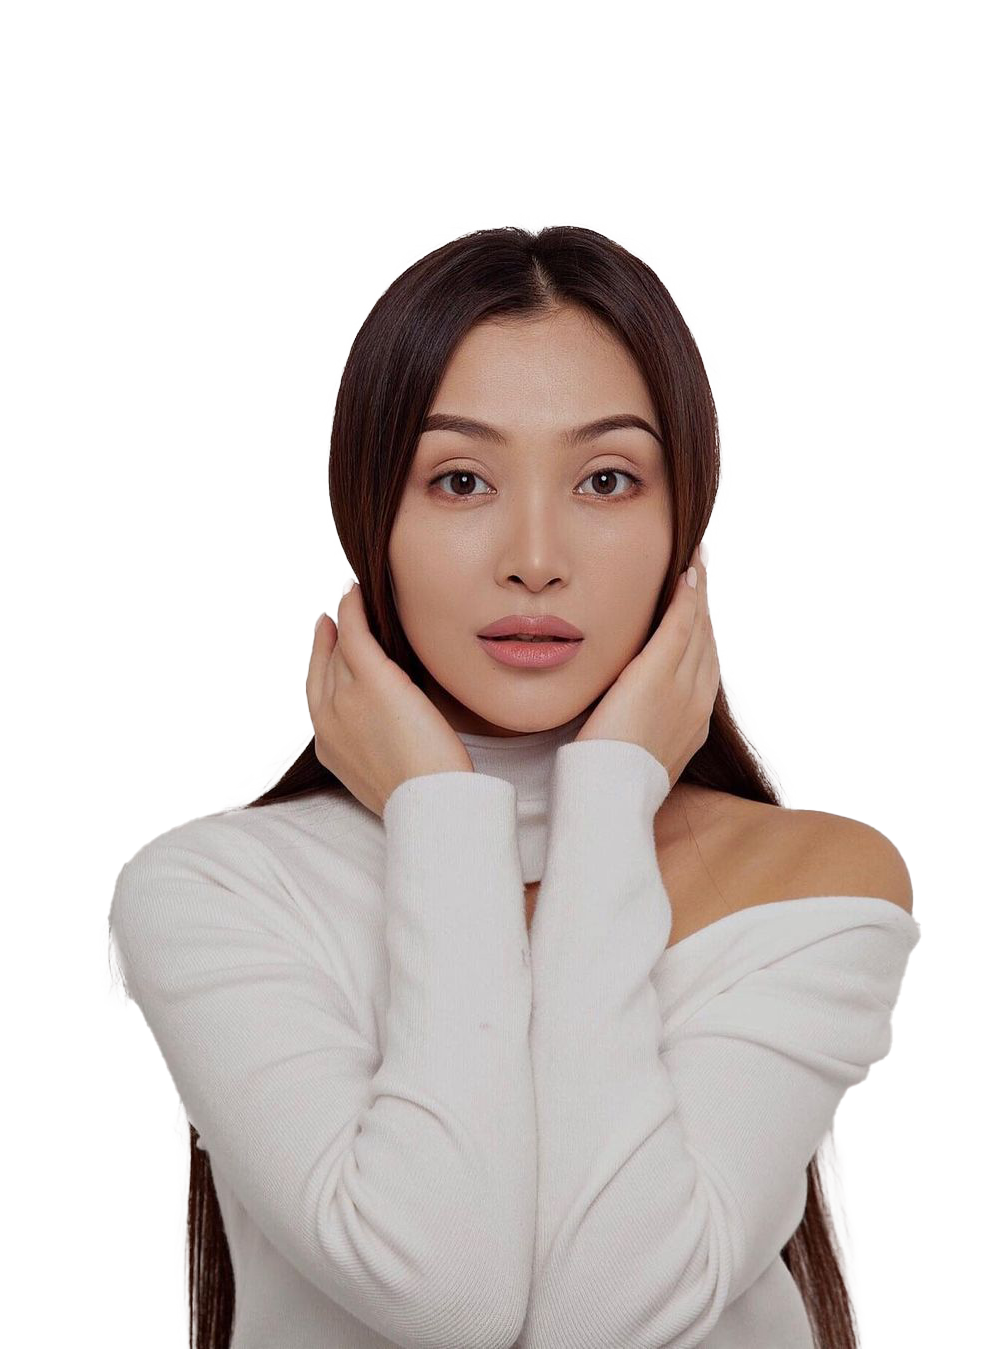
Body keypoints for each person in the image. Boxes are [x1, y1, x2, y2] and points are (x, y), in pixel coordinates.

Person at [109, 224, 919, 1349]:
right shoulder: (219, 892)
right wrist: (440, 811)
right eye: (460, 479)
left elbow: (610, 1315)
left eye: (606, 479)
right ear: (369, 517)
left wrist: (609, 794)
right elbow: (450, 1293)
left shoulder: (817, 884)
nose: (535, 556)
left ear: (684, 524)